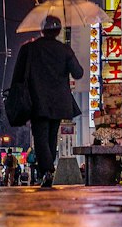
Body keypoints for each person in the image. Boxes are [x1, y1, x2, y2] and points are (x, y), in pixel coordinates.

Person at [10, 15, 84, 188]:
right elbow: (78, 73)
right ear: (58, 31)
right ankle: (48, 171)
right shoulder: (65, 50)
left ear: (42, 30)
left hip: (37, 100)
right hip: (60, 102)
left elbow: (18, 76)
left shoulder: (30, 49)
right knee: (51, 136)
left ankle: (48, 171)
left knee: (41, 136)